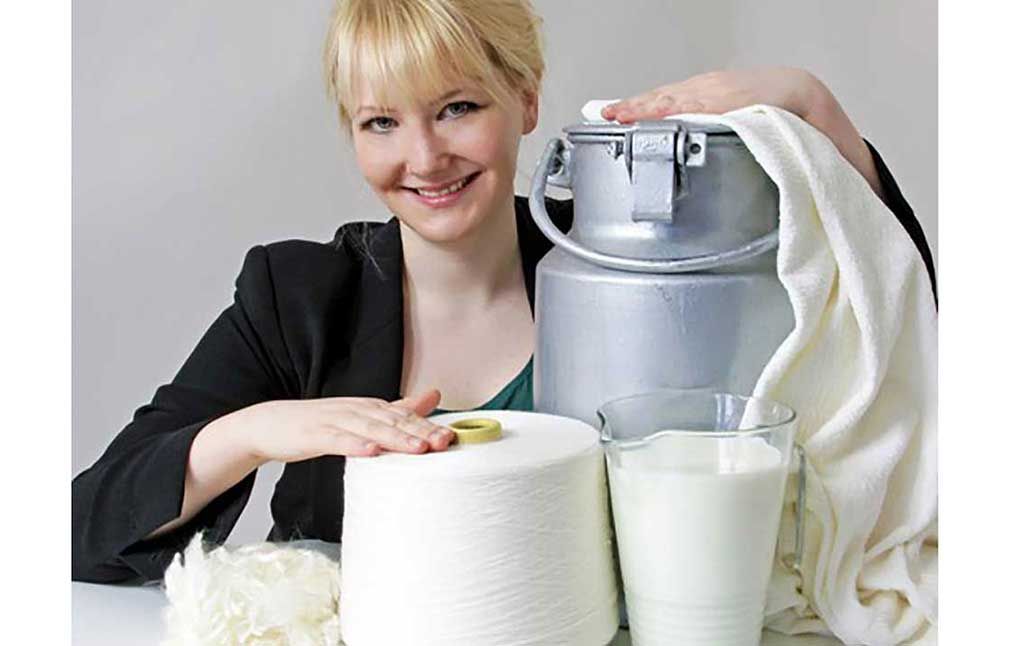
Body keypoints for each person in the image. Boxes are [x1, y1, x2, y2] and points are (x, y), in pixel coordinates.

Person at [72, 0, 936, 583]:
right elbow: (83, 524)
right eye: (382, 122)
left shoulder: (620, 271)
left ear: (524, 100)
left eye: (456, 107)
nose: (423, 158)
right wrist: (259, 430)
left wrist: (814, 109)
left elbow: (890, 320)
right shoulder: (295, 294)